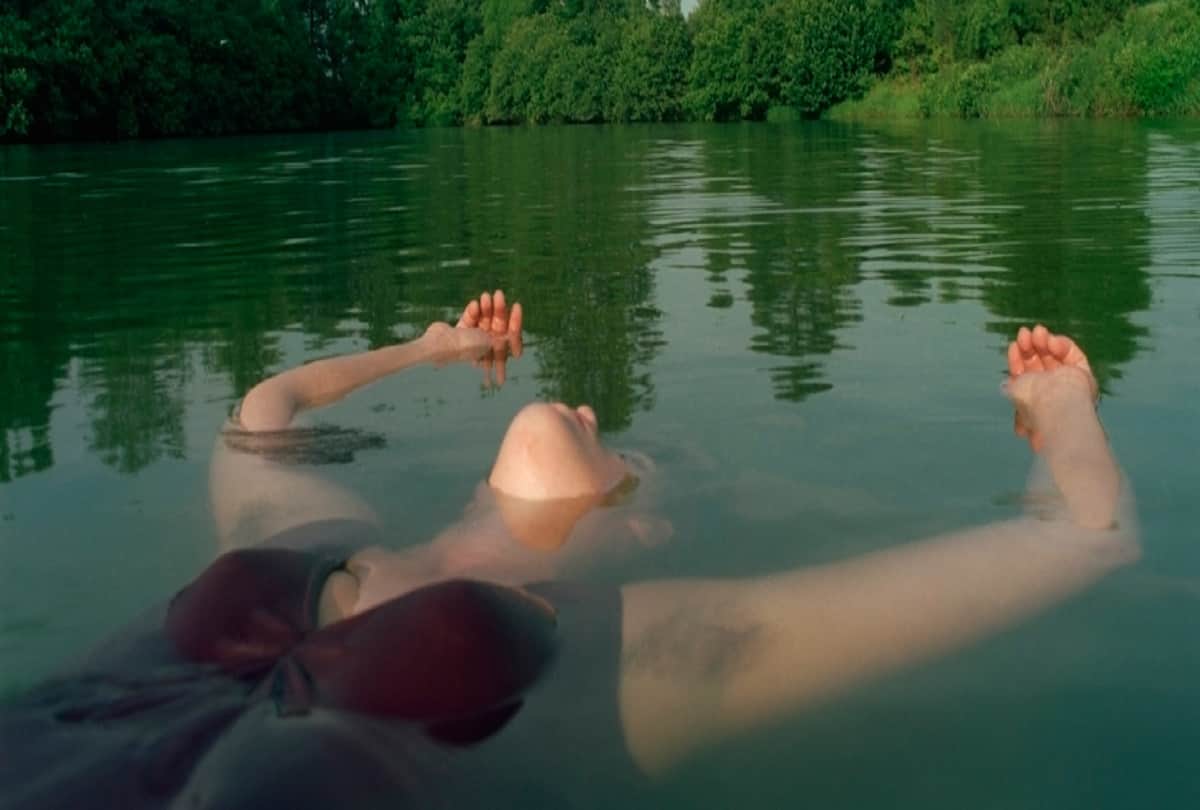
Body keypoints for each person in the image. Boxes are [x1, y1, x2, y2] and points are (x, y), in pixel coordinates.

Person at [0, 296, 1139, 809]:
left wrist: (1062, 405)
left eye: (630, 450)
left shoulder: (641, 656)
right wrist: (432, 348)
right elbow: (265, 408)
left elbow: (1087, 542)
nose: (589, 407)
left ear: (635, 532)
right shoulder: (323, 540)